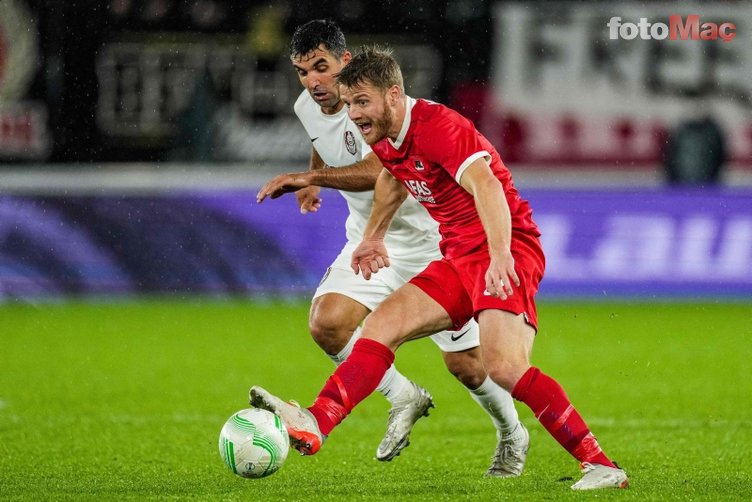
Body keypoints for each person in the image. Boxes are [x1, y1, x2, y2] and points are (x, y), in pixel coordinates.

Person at [251, 45, 629, 491]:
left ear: (393, 95)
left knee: (504, 368)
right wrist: (374, 235)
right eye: (350, 104)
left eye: (361, 102)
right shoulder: (389, 136)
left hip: (501, 249)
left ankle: (600, 464)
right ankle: (317, 420)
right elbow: (394, 176)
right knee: (381, 327)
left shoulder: (439, 127)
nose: (352, 114)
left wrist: (502, 255)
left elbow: (486, 184)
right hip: (456, 257)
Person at [255, 20, 529, 476]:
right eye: (302, 71)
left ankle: (511, 432)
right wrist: (313, 177)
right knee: (328, 323)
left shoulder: (375, 105)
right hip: (370, 242)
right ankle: (403, 396)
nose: (313, 82)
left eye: (321, 68)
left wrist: (310, 178)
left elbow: (380, 169)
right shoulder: (307, 106)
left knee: (468, 366)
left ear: (345, 61)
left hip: (434, 245)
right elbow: (321, 141)